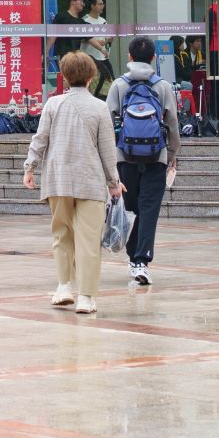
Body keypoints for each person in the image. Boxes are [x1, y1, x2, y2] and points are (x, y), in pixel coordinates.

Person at [22, 51, 122, 315]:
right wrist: (114, 182)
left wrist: (30, 167)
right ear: (91, 77)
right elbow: (107, 150)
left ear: (64, 77)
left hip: (58, 180)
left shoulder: (53, 105)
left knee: (61, 234)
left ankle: (64, 287)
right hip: (90, 181)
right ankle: (86, 298)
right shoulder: (99, 108)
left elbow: (40, 139)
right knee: (89, 240)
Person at [107, 39, 180, 286]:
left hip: (125, 157)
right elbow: (172, 123)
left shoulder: (119, 85)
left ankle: (133, 257)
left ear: (129, 57)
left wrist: (110, 157)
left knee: (131, 208)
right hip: (156, 156)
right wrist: (171, 154)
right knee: (149, 209)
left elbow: (108, 124)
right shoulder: (162, 86)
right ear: (153, 58)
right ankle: (141, 261)